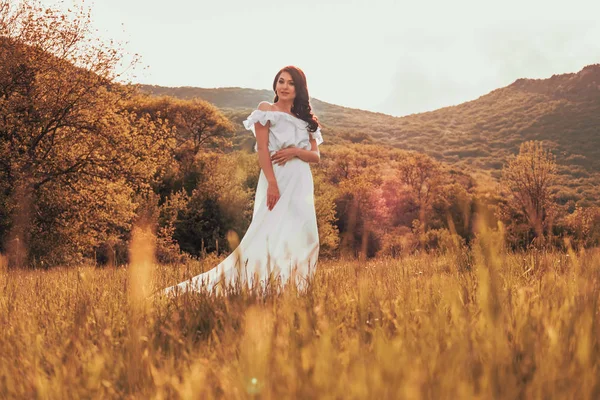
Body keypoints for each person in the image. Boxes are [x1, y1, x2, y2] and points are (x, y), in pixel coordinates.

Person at [162, 65, 323, 296]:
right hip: (278, 178)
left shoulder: (306, 120)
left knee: (304, 234)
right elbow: (263, 150)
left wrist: (295, 151)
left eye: (290, 83)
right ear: (275, 85)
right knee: (268, 231)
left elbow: (315, 156)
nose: (284, 87)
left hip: (301, 182)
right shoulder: (266, 110)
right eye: (281, 81)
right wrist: (272, 184)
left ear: (299, 89)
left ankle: (294, 288)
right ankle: (258, 284)